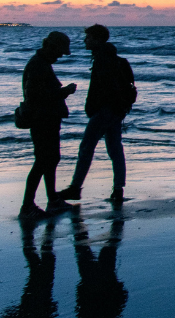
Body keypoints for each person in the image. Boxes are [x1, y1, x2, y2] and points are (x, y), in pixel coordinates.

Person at [57, 24, 136, 204]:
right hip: (117, 111)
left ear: (97, 39)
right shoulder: (113, 58)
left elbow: (101, 89)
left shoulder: (102, 59)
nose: (85, 41)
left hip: (105, 111)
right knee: (115, 149)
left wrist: (93, 108)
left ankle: (76, 188)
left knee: (86, 148)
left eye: (88, 38)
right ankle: (118, 189)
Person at [19, 31, 77, 219]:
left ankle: (52, 200)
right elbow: (36, 97)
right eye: (60, 52)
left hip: (48, 119)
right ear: (52, 48)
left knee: (50, 160)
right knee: (43, 162)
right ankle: (28, 206)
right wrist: (64, 92)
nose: (60, 56)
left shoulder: (41, 64)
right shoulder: (38, 66)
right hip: (41, 120)